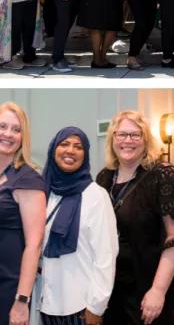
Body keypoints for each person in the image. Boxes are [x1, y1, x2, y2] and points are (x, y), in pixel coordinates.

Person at [96, 111, 174, 325]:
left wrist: (158, 291)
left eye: (135, 135)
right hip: (112, 289)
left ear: (146, 140)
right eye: (122, 134)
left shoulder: (163, 175)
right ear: (113, 138)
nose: (128, 141)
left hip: (148, 289)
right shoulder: (104, 178)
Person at [0, 102, 46, 325]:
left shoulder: (28, 178)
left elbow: (34, 245)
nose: (8, 134)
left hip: (8, 287)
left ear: (24, 137)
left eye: (16, 129)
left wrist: (22, 300)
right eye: (2, 126)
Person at [38, 127, 117, 324]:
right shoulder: (42, 192)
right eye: (64, 144)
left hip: (80, 307)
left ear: (86, 154)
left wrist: (96, 307)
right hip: (44, 303)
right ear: (53, 149)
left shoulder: (96, 195)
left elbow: (106, 255)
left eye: (78, 147)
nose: (70, 151)